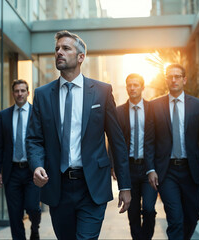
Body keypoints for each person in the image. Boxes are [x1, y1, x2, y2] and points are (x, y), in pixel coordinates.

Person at [26, 30, 132, 240]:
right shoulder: (43, 95)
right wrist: (37, 165)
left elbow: (117, 141)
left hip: (92, 185)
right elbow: (34, 139)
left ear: (81, 57)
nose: (59, 52)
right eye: (57, 49)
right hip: (58, 186)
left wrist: (125, 185)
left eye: (66, 48)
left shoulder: (101, 91)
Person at [144, 63, 199, 240]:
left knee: (192, 217)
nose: (173, 79)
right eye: (170, 76)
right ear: (166, 80)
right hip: (167, 171)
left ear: (184, 80)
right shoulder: (155, 106)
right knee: (175, 219)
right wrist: (151, 169)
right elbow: (149, 141)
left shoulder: (197, 105)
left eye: (177, 76)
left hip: (191, 170)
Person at [0, 80, 41, 240]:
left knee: (33, 207)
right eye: (16, 91)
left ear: (28, 93)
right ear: (13, 93)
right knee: (15, 214)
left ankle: (35, 228)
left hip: (31, 170)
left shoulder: (37, 112)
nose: (19, 93)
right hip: (11, 171)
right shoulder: (3, 115)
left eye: (22, 90)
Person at [114, 73, 157, 240]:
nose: (132, 88)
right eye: (129, 85)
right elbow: (114, 142)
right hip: (129, 168)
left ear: (142, 87)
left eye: (136, 85)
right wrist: (114, 166)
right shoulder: (118, 112)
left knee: (148, 208)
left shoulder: (153, 109)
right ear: (126, 88)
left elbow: (158, 139)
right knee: (132, 211)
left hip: (148, 168)